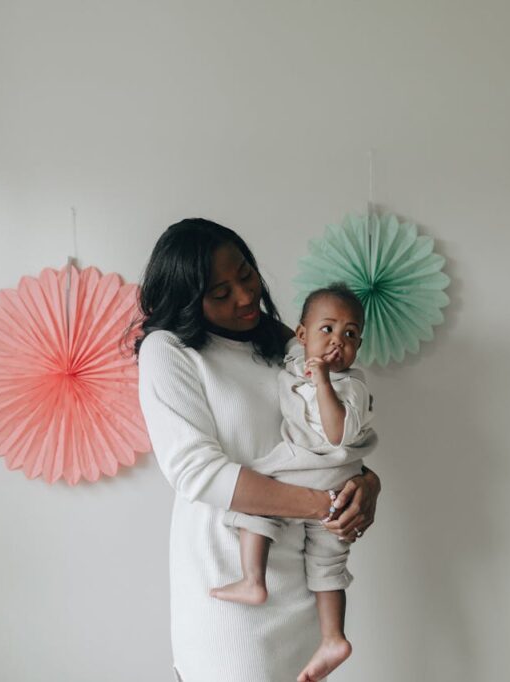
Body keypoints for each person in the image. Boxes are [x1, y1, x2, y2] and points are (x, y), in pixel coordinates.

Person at [134, 219, 381, 682]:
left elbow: (326, 437)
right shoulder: (169, 351)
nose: (246, 298)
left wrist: (368, 484)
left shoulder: (286, 343)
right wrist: (325, 505)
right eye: (220, 292)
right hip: (228, 588)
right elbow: (197, 472)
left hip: (304, 584)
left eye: (246, 276)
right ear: (187, 297)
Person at [210, 284, 375, 681]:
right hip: (333, 479)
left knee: (256, 490)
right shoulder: (296, 354)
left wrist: (322, 382)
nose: (338, 342)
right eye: (328, 330)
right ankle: (333, 638)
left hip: (321, 465)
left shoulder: (349, 385)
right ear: (302, 336)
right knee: (328, 556)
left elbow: (336, 434)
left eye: (350, 335)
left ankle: (253, 579)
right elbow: (278, 330)